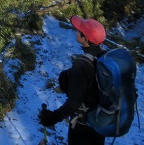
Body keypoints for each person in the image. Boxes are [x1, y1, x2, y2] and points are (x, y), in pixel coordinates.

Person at [38, 15, 107, 145]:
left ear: (85, 39)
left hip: (82, 126)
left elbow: (73, 104)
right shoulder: (104, 57)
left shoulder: (82, 64)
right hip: (100, 122)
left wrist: (51, 118)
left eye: (78, 31)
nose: (76, 32)